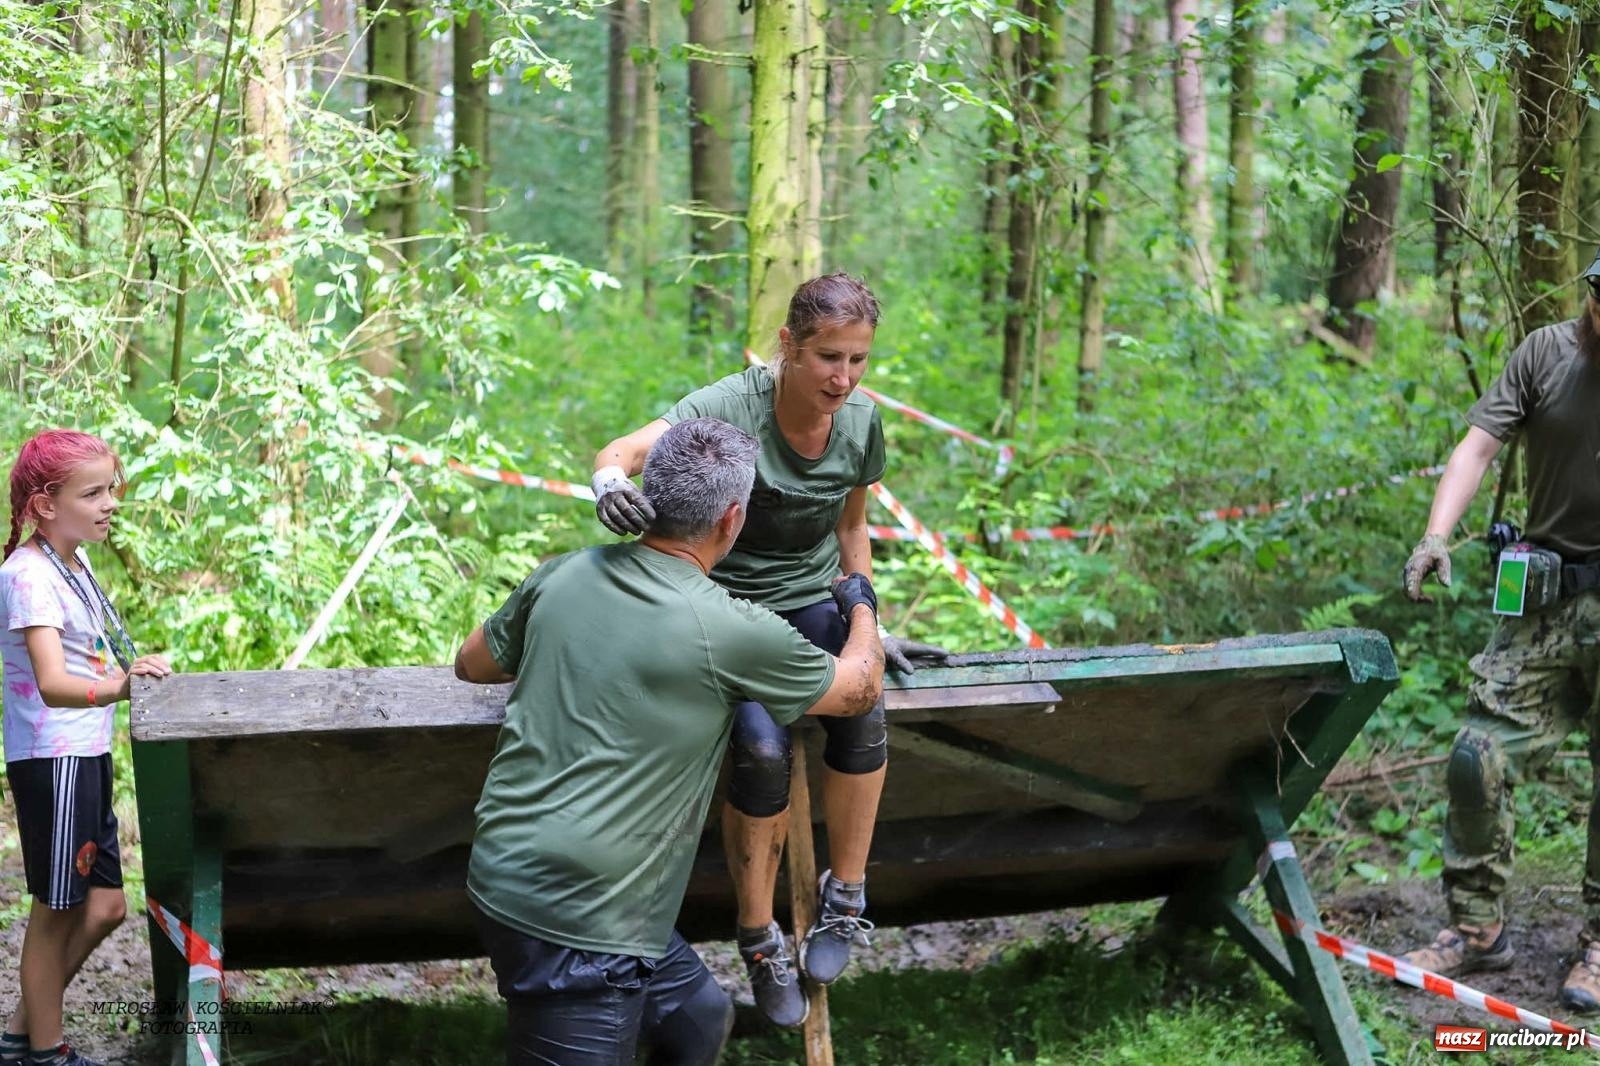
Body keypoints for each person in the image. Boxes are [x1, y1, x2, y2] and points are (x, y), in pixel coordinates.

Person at [457, 417, 886, 1066]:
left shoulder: (564, 576)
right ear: (732, 520)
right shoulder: (733, 629)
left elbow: (472, 663)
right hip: (578, 920)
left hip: (521, 871)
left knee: (697, 1020)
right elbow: (857, 689)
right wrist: (860, 605)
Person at [592, 273, 945, 1026]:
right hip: (726, 608)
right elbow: (624, 447)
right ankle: (759, 937)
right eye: (827, 358)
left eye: (858, 360)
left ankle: (845, 897)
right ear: (788, 346)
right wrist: (605, 481)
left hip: (815, 600)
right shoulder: (729, 406)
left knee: (864, 710)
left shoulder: (861, 423)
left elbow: (854, 528)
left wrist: (866, 621)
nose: (843, 378)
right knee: (758, 744)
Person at [1399, 251, 1600, 1010]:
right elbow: (1478, 447)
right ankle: (1479, 929)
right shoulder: (1546, 354)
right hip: (1545, 594)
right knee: (1476, 756)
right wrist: (1435, 536)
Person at [1, 430, 172, 1066]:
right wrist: (117, 688)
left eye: (111, 492)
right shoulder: (28, 576)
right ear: (45, 504)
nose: (109, 505)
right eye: (92, 493)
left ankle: (20, 1031)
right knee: (55, 912)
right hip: (54, 760)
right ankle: (47, 1051)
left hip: (85, 753)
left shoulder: (74, 562)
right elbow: (50, 681)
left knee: (103, 907)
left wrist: (132, 673)